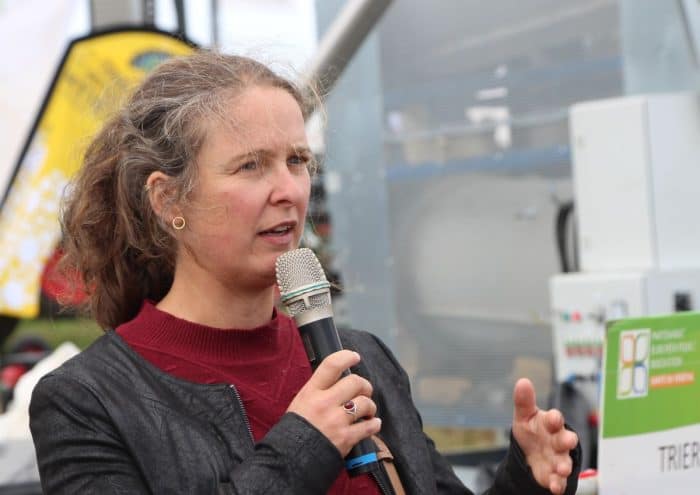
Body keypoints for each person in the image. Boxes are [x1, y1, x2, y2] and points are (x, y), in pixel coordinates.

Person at [29, 50, 580, 494]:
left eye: (297, 161)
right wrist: (305, 447)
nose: (289, 190)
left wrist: (526, 478)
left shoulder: (360, 359)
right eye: (251, 166)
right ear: (169, 197)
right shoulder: (87, 400)